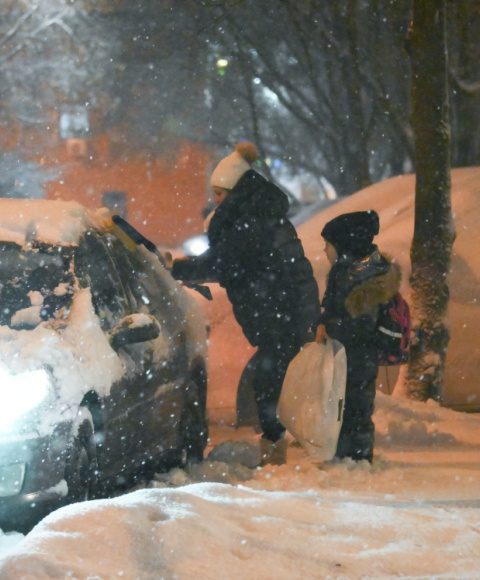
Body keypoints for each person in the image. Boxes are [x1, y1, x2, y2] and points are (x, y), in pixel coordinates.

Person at [171, 141, 320, 466]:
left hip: (279, 311)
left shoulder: (249, 221)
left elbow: (224, 261)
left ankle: (278, 450)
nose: (216, 201)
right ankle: (280, 446)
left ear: (235, 190)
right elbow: (230, 261)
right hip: (284, 308)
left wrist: (177, 268)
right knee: (273, 378)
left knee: (270, 381)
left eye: (220, 194)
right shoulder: (260, 214)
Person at [314, 210, 400, 463]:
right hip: (349, 355)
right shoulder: (349, 271)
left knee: (355, 409)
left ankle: (357, 459)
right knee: (344, 406)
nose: (324, 251)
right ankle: (346, 455)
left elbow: (360, 325)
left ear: (344, 245)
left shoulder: (361, 277)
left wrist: (331, 327)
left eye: (327, 245)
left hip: (359, 357)